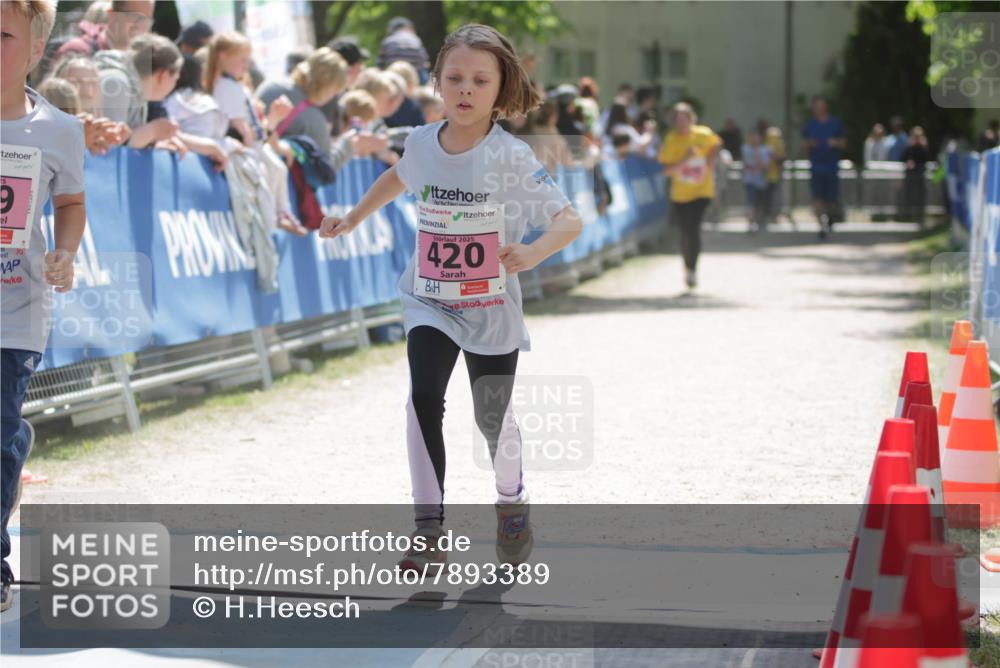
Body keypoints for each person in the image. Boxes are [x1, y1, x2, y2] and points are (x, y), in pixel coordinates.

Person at [318, 23, 582, 570]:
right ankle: (428, 529)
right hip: (430, 299)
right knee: (422, 400)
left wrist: (532, 254)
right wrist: (352, 217)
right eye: (455, 78)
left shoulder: (508, 155)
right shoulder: (419, 141)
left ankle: (512, 503)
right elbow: (398, 177)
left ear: (499, 89)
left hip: (490, 309)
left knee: (492, 418)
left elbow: (568, 219)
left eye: (480, 81)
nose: (466, 89)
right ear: (436, 82)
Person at [2, 0, 87, 614]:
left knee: (2, 435)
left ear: (34, 49)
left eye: (2, 35)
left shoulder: (58, 130)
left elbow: (72, 204)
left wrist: (63, 251)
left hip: (17, 306)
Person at [658, 101, 721, 289]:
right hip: (681, 194)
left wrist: (710, 159)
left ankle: (693, 269)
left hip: (702, 191)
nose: (681, 123)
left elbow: (716, 143)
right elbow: (666, 170)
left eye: (685, 118)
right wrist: (685, 160)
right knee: (685, 232)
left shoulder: (703, 134)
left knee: (693, 228)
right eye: (677, 119)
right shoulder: (671, 139)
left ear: (692, 119)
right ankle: (688, 266)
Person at [800, 95, 845, 239]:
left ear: (826, 107)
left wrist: (835, 143)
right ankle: (821, 225)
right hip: (816, 168)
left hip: (831, 167)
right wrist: (809, 145)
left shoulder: (835, 124)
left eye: (821, 106)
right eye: (816, 107)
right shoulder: (810, 125)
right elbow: (803, 146)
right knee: (817, 199)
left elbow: (844, 144)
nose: (818, 109)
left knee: (830, 201)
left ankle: (830, 216)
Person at [376, 16, 430, 82]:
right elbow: (424, 58)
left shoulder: (388, 40)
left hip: (394, 74)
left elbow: (380, 63)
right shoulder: (415, 39)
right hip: (415, 74)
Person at [741, 129, 772, 232]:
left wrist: (758, 158)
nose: (755, 139)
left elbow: (766, 166)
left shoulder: (765, 149)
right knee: (751, 201)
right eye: (753, 137)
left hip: (761, 181)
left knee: (759, 203)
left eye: (757, 137)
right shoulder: (745, 148)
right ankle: (751, 223)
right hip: (749, 179)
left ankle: (758, 220)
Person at [901, 126, 930, 226]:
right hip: (909, 179)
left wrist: (915, 165)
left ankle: (920, 218)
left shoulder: (923, 148)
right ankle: (908, 217)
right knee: (908, 197)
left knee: (920, 199)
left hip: (919, 178)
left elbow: (925, 160)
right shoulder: (909, 148)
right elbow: (903, 158)